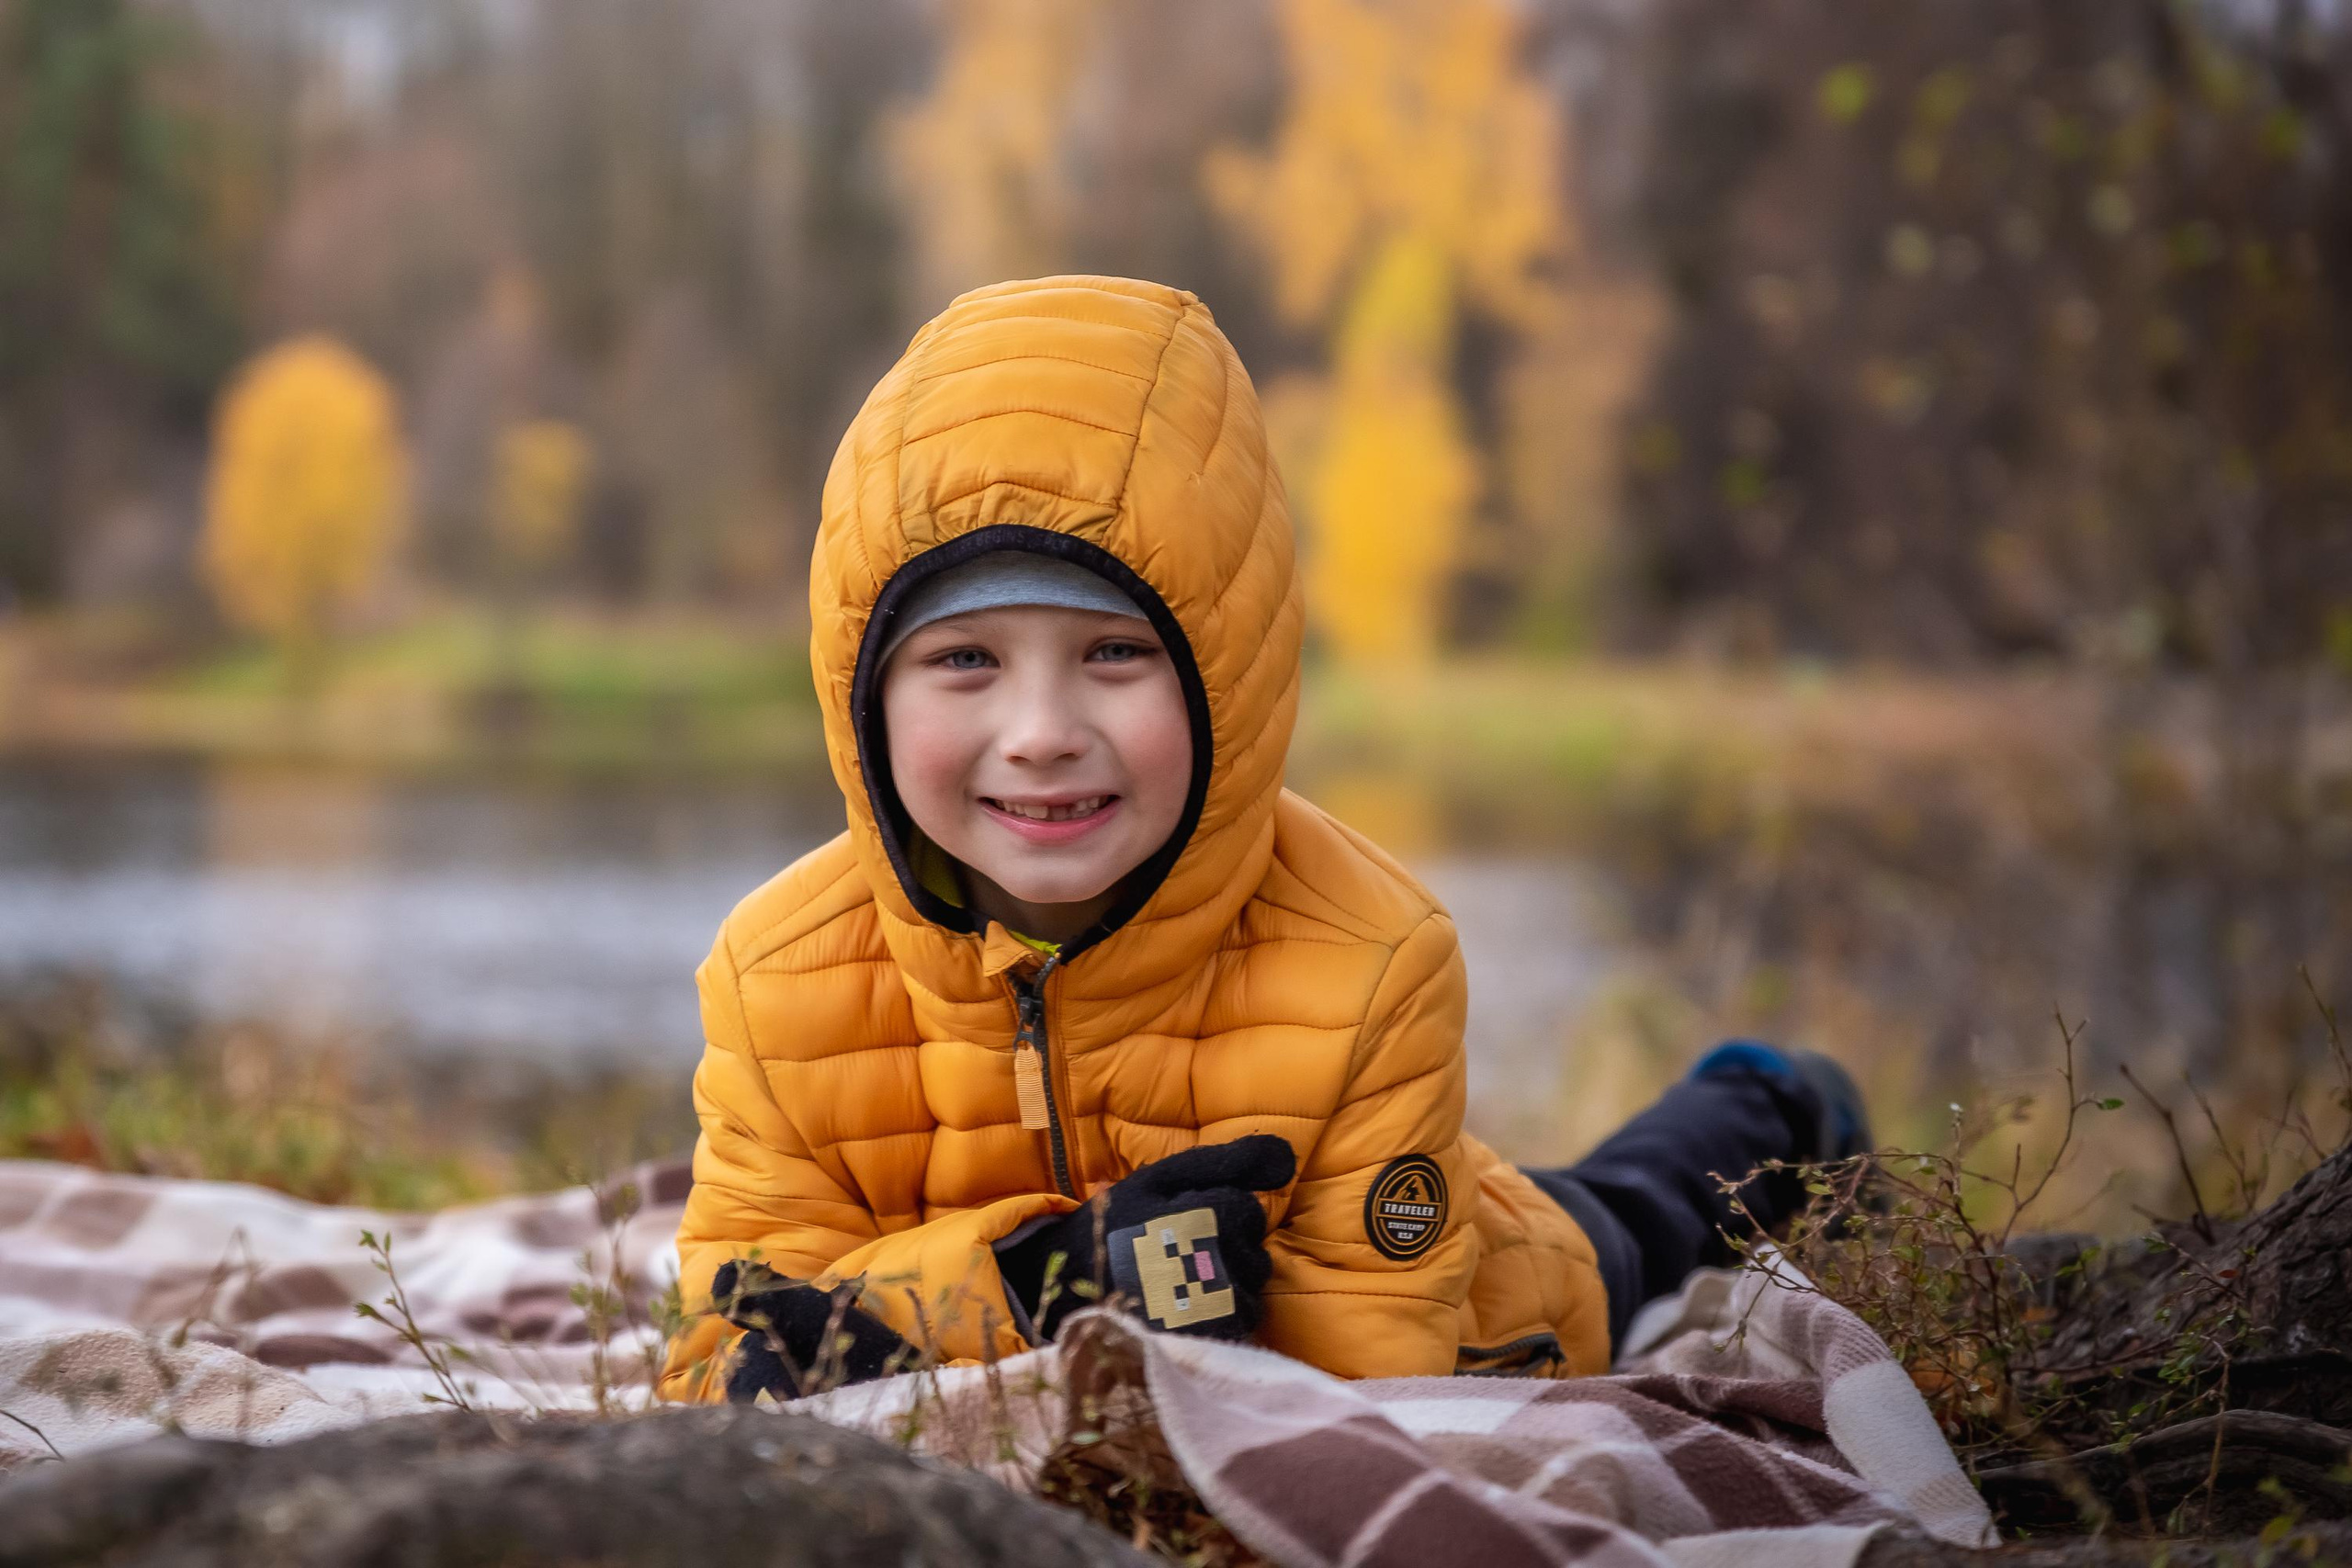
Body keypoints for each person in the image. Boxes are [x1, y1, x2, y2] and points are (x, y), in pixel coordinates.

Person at [659, 276, 1869, 1404]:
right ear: (864, 694)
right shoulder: (779, 980)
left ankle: (1775, 1103)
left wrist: (985, 1321)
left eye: (1115, 655)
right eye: (965, 661)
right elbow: (730, 1364)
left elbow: (1372, 1395)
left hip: (1498, 1293)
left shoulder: (1370, 955)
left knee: (1634, 1216)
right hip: (1190, 1256)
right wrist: (1045, 1282)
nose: (1039, 734)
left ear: (1225, 676)